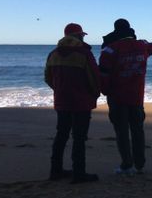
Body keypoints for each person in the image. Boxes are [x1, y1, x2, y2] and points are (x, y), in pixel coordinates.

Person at [99, 19, 152, 175]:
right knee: (137, 131)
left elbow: (103, 75)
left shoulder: (109, 50)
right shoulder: (142, 46)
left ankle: (127, 165)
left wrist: (104, 91)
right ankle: (140, 164)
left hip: (117, 98)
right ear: (130, 30)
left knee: (121, 132)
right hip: (136, 98)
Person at [45, 23, 100, 184]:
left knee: (61, 135)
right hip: (81, 102)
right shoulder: (84, 54)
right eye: (82, 35)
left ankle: (55, 171)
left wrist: (59, 90)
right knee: (79, 138)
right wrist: (95, 94)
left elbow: (48, 78)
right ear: (78, 36)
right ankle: (79, 173)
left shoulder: (53, 54)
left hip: (61, 101)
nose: (83, 37)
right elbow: (94, 78)